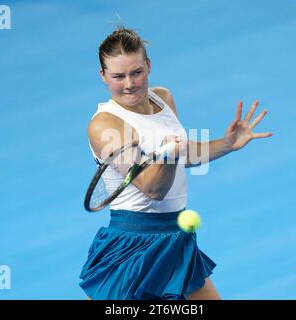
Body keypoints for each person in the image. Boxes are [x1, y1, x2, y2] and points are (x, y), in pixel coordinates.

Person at [79, 27, 273, 300]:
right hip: (131, 246)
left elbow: (184, 154)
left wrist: (226, 144)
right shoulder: (105, 124)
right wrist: (169, 156)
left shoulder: (163, 98)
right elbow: (152, 187)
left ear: (148, 65)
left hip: (175, 237)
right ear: (103, 76)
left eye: (136, 72)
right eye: (118, 76)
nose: (129, 83)